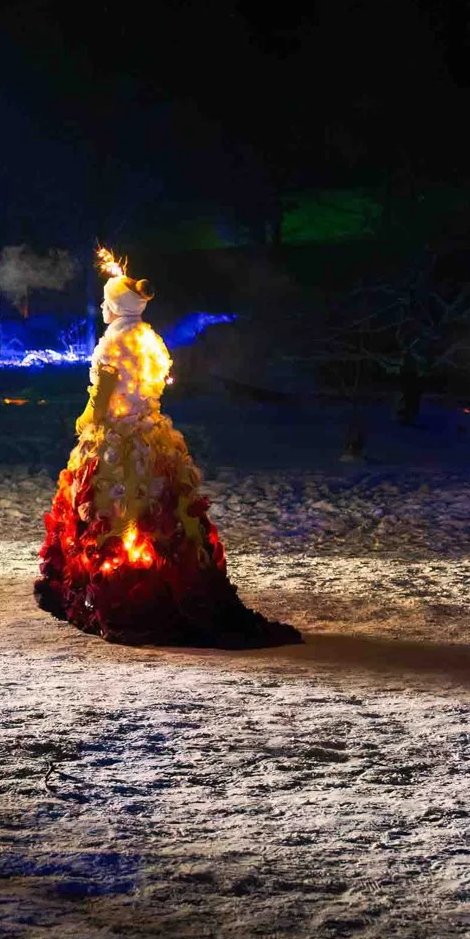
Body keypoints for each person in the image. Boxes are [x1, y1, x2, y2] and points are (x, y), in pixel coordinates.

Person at [34, 252, 299, 648]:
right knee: (161, 507)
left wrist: (88, 417)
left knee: (115, 507)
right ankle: (160, 574)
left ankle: (120, 585)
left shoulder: (113, 343)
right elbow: (157, 384)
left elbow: (103, 394)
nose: (102, 307)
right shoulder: (150, 339)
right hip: (151, 434)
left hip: (117, 440)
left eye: (106, 302)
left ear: (118, 307)